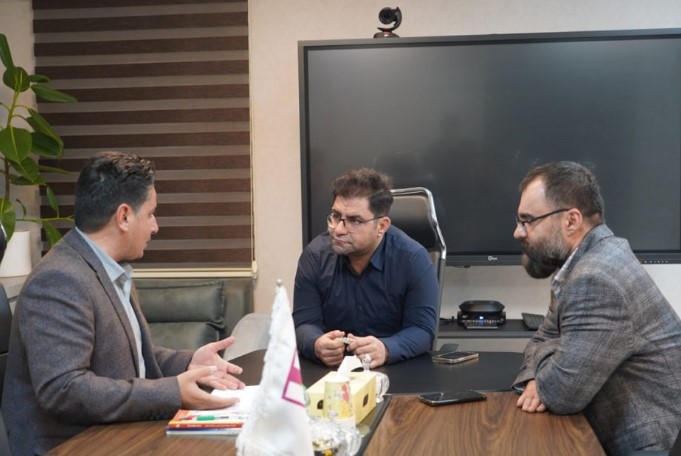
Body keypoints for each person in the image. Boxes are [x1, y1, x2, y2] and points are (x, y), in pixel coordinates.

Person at [1, 151, 245, 455]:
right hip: (71, 446)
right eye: (150, 214)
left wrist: (189, 362)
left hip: (118, 435)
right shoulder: (59, 279)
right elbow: (64, 390)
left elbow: (130, 356)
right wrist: (171, 392)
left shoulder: (108, 268)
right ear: (124, 217)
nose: (155, 226)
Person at [512, 161, 681, 455]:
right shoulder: (586, 260)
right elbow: (542, 338)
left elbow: (561, 394)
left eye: (528, 220)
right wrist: (543, 371)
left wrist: (546, 374)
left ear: (571, 220)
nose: (518, 232)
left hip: (645, 444)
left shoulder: (595, 278)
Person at [293, 168, 439, 368]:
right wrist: (316, 343)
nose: (338, 230)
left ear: (382, 226)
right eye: (335, 216)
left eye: (354, 221)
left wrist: (386, 348)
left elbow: (422, 330)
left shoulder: (413, 259)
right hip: (333, 372)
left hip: (394, 368)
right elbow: (303, 323)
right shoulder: (315, 256)